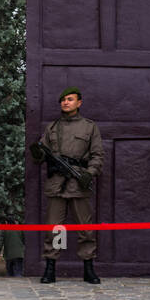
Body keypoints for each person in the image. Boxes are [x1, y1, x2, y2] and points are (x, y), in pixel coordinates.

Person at [30, 86, 104, 284]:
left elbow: (97, 155)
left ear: (79, 102)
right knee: (56, 229)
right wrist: (37, 153)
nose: (65, 102)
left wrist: (89, 174)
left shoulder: (89, 127)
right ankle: (51, 267)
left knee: (85, 228)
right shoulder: (52, 128)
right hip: (57, 185)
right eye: (63, 99)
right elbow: (41, 156)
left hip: (79, 184)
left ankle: (88, 268)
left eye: (70, 99)